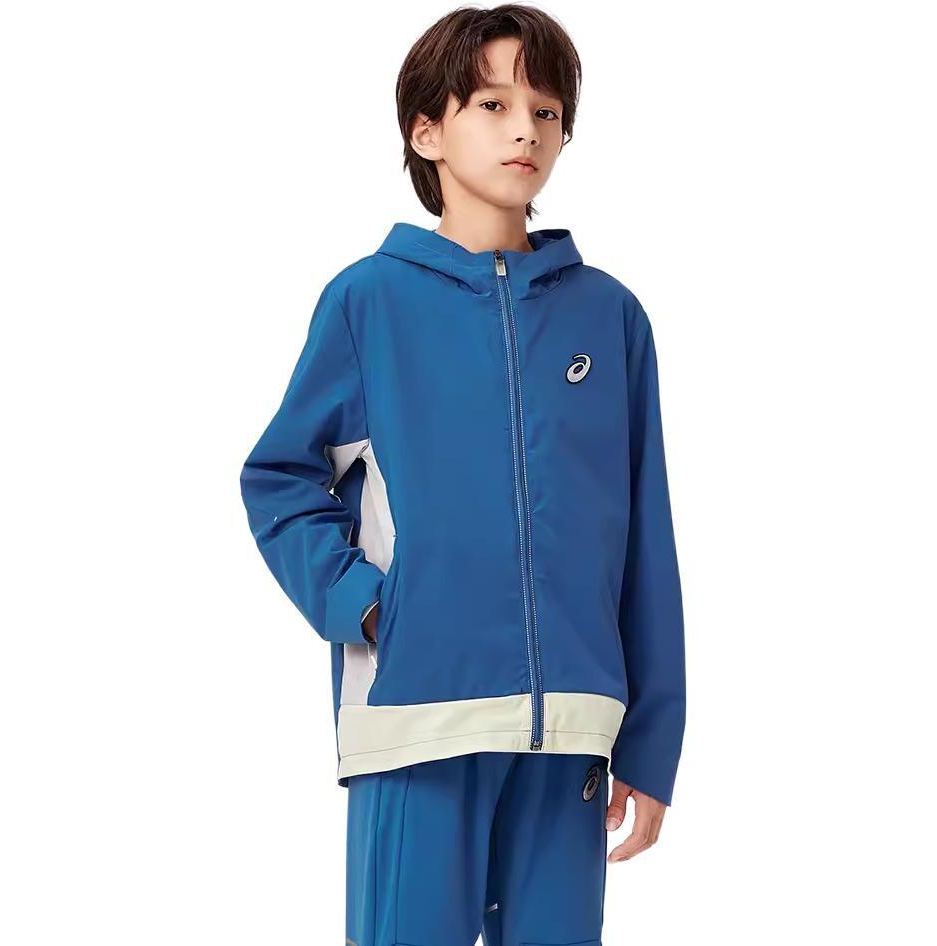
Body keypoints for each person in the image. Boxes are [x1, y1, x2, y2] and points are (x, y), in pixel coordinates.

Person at [239, 5, 686, 944]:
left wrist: (650, 742)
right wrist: (368, 608)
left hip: (571, 731)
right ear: (426, 131)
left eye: (547, 111)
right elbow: (281, 477)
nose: (527, 129)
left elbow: (646, 538)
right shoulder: (369, 301)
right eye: (493, 104)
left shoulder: (610, 318)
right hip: (417, 718)